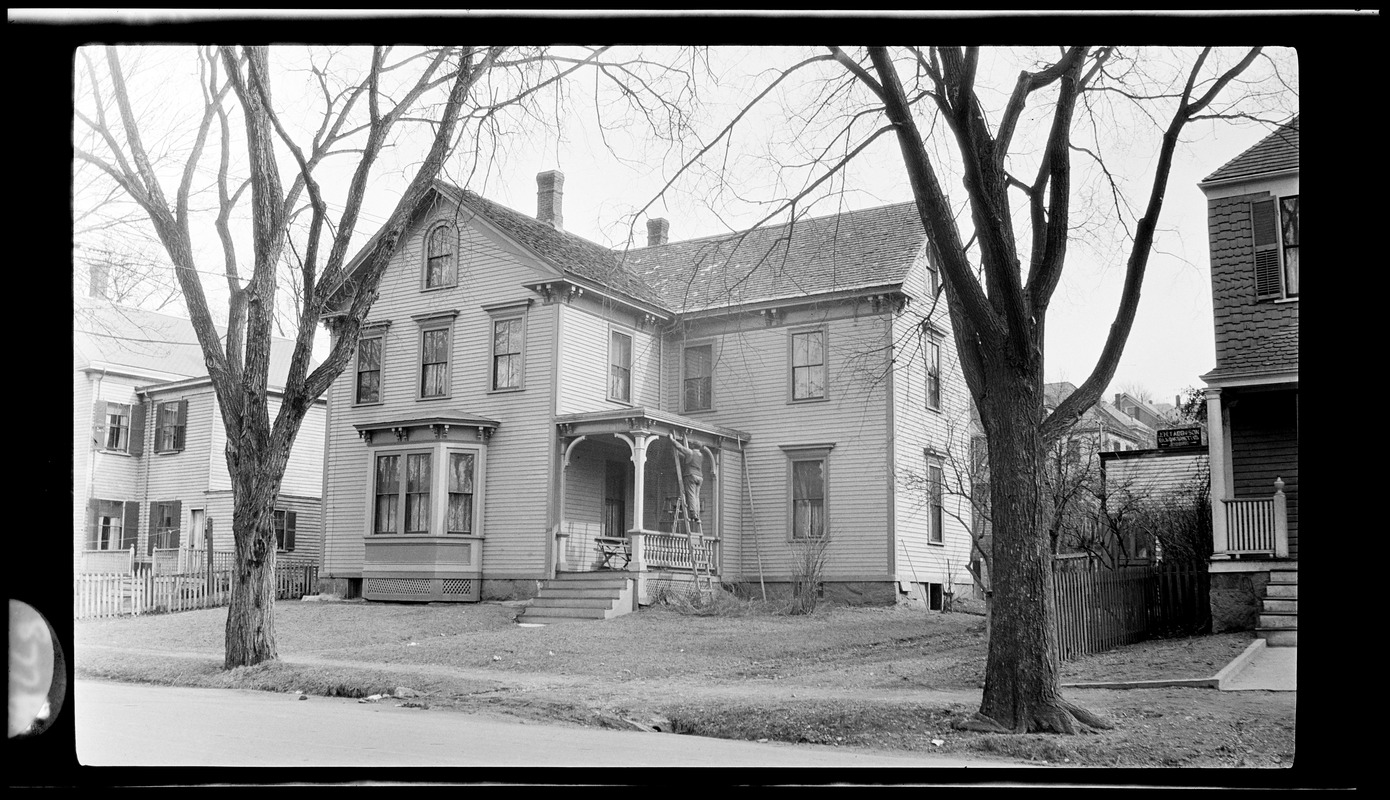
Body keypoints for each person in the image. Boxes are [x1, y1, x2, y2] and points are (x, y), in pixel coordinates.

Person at [669, 431, 714, 522]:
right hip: (700, 477)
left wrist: (672, 439)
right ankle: (697, 514)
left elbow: (680, 447)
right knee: (696, 496)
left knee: (691, 495)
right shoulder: (700, 455)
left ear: (693, 446)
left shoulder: (690, 452)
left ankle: (693, 514)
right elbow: (686, 458)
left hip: (691, 475)